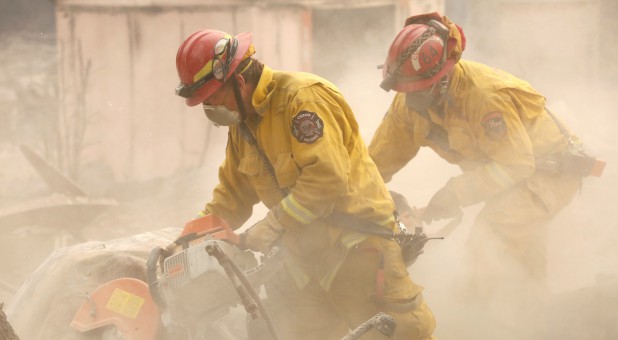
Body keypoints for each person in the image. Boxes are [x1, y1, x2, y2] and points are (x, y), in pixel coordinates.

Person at [174, 29, 436, 340]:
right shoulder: (242, 124)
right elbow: (232, 195)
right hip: (305, 264)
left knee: (398, 333)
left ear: (239, 81)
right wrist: (189, 242)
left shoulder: (302, 99)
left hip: (358, 249)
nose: (210, 110)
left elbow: (327, 179)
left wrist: (271, 226)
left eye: (212, 98)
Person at [368, 11, 603, 339]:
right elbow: (374, 164)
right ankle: (538, 324)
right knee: (524, 259)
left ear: (442, 80)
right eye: (404, 91)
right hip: (512, 176)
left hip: (548, 174)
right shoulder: (410, 104)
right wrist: (355, 199)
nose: (410, 101)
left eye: (417, 91)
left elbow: (517, 165)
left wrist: (455, 193)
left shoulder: (484, 96)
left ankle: (468, 322)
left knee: (490, 236)